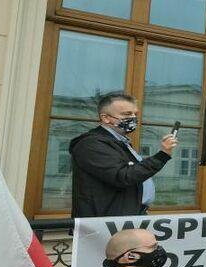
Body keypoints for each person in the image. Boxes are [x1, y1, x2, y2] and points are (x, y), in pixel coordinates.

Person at [69, 92, 176, 220]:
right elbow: (123, 176)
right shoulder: (91, 144)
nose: (133, 118)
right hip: (106, 224)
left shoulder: (120, 142)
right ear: (106, 118)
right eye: (126, 114)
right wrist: (162, 155)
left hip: (128, 217)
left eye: (135, 114)